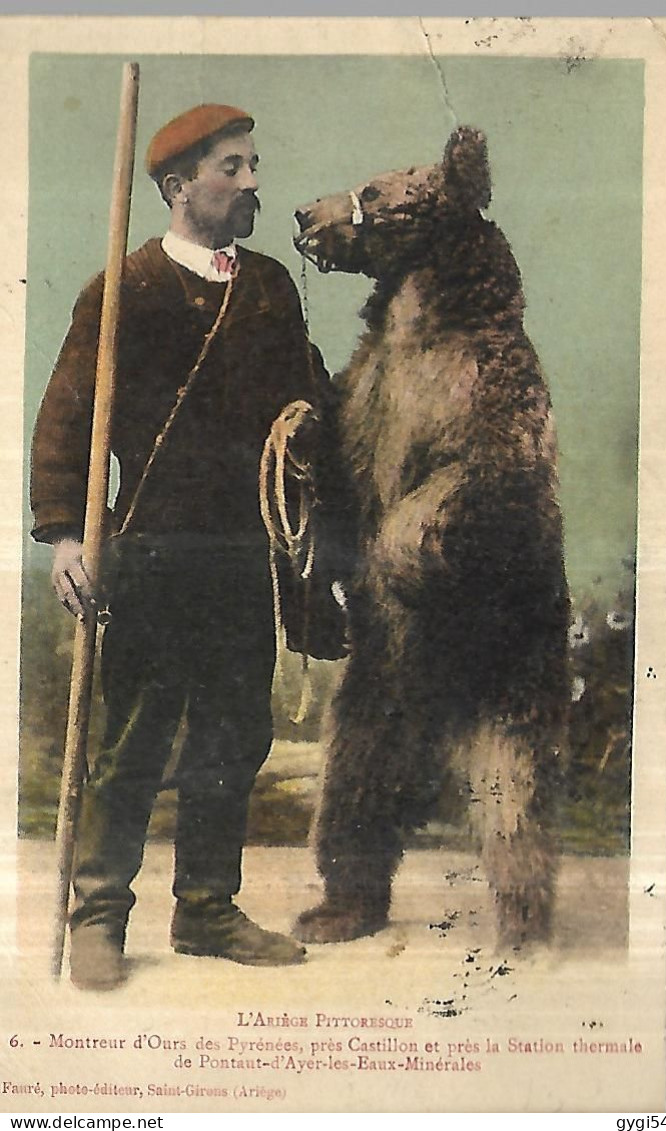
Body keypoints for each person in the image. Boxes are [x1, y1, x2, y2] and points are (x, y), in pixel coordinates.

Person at [30, 103, 338, 991]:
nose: (251, 184)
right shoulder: (123, 290)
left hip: (245, 552)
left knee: (233, 736)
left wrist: (314, 418)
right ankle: (98, 914)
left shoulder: (272, 286)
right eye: (232, 169)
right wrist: (60, 537)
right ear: (178, 187)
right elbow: (65, 418)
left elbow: (303, 390)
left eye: (252, 166)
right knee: (131, 740)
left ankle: (205, 907)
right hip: (152, 550)